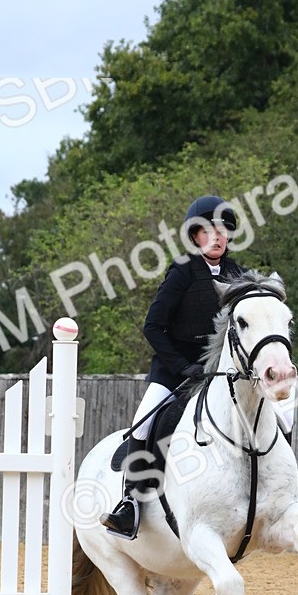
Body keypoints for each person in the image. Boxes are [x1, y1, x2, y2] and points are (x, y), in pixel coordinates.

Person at [101, 194, 245, 539]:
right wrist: (182, 367)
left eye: (224, 230)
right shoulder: (182, 272)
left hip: (221, 373)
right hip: (176, 372)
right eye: (209, 230)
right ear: (195, 235)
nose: (218, 236)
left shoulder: (237, 274)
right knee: (143, 424)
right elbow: (153, 326)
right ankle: (130, 504)